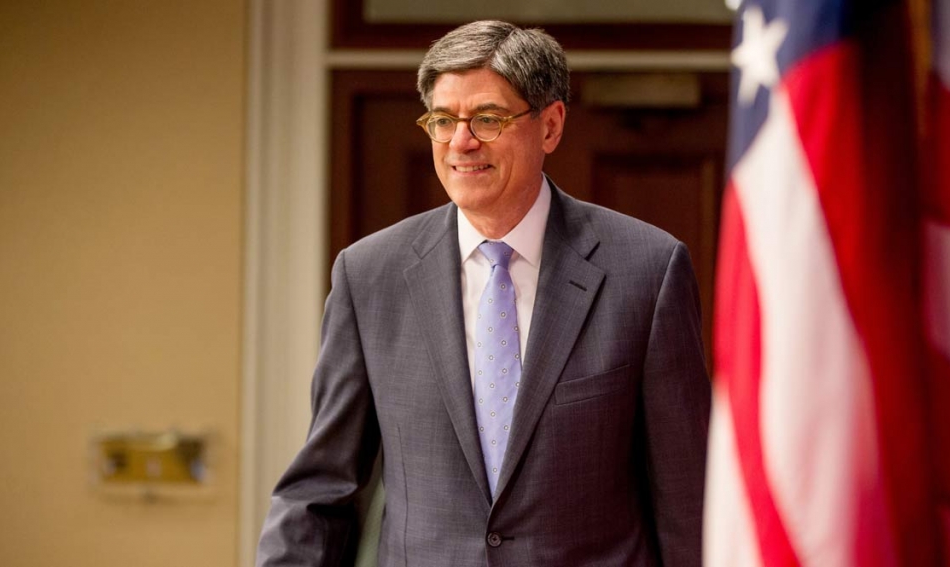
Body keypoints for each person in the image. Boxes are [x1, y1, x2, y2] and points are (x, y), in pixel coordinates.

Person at [256, 20, 711, 566]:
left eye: (487, 119)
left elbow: (689, 501)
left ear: (550, 126)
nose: (460, 142)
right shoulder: (370, 274)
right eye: (443, 120)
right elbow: (321, 490)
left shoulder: (647, 270)